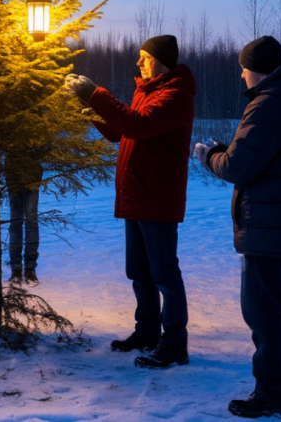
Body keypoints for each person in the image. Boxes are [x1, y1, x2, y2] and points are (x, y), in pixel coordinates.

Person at [194, 35, 281, 419]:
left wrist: (210, 155)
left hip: (268, 226)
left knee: (263, 312)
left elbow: (239, 166)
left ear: (258, 70)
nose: (241, 75)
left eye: (244, 68)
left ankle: (271, 395)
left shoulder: (268, 106)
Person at [65, 34, 196, 370]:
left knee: (164, 272)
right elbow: (120, 130)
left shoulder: (176, 95)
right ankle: (147, 332)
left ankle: (174, 343)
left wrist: (96, 93)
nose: (139, 63)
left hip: (157, 198)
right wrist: (89, 111)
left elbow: (137, 126)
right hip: (138, 194)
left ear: (162, 60)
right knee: (139, 271)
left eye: (144, 57)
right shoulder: (148, 91)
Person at [4, 153, 43, 285]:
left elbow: (46, 144)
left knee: (31, 220)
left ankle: (30, 268)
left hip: (32, 176)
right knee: (16, 221)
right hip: (13, 175)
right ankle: (16, 268)